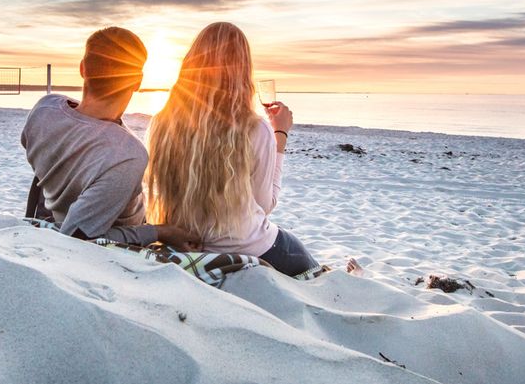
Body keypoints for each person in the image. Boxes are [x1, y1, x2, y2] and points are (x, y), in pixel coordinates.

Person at [145, 22, 322, 277]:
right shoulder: (255, 129)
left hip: (182, 244)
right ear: (242, 71)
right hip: (246, 248)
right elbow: (266, 203)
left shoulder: (161, 122)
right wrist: (280, 134)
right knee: (307, 265)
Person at [20, 26, 198, 250]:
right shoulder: (127, 155)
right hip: (108, 245)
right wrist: (159, 232)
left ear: (83, 68)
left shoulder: (44, 109)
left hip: (54, 208)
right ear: (137, 82)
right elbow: (76, 237)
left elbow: (39, 159)